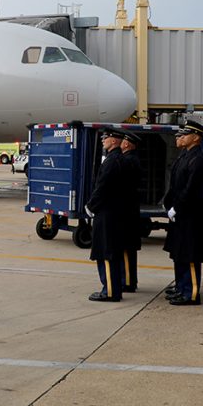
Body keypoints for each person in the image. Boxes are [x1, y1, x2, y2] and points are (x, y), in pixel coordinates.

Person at [162, 119, 203, 306]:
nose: (180, 137)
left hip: (190, 213)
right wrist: (170, 204)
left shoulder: (198, 159)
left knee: (190, 255)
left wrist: (178, 207)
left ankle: (191, 293)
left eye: (185, 134)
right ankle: (182, 288)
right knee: (180, 252)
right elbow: (175, 185)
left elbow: (191, 189)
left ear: (196, 137)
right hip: (181, 213)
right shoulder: (185, 156)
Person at [84, 128, 133, 302]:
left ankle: (110, 291)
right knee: (114, 252)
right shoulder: (121, 159)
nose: (103, 141)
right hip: (116, 213)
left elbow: (103, 187)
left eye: (106, 138)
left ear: (114, 141)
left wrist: (91, 205)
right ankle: (115, 287)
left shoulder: (112, 161)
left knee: (106, 252)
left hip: (107, 213)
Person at [119, 130, 143, 292]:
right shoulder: (131, 159)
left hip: (127, 210)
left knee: (126, 247)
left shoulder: (128, 161)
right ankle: (128, 279)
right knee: (127, 247)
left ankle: (128, 281)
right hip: (130, 208)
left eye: (122, 141)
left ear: (127, 144)